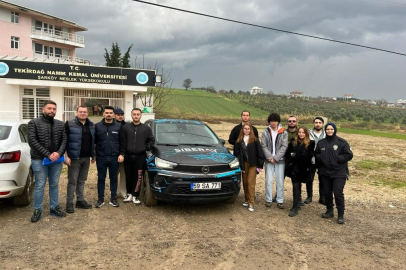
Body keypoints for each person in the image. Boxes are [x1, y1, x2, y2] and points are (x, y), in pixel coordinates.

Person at [28, 100, 67, 222]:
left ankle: (54, 207)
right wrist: (48, 154)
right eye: (49, 108)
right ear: (43, 109)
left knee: (54, 184)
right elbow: (32, 141)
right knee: (40, 185)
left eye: (54, 109)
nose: (52, 111)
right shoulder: (33, 123)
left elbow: (64, 140)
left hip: (56, 160)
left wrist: (59, 153)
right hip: (39, 160)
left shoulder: (60, 124)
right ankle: (37, 210)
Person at [315, 123, 353, 224]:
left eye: (331, 129)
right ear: (325, 130)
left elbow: (349, 155)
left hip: (339, 172)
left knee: (338, 193)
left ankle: (340, 214)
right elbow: (316, 154)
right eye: (327, 129)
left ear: (335, 130)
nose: (329, 131)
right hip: (325, 172)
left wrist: (338, 159)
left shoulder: (342, 142)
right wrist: (321, 159)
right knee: (327, 192)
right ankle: (329, 210)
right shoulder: (321, 143)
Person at [119, 108, 155, 204]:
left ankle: (135, 195)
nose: (136, 116)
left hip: (140, 156)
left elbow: (151, 141)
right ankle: (129, 194)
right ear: (131, 115)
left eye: (137, 114)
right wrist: (122, 153)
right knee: (128, 176)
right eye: (134, 114)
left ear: (140, 115)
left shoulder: (146, 129)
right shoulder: (125, 128)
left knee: (138, 176)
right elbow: (122, 142)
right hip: (128, 156)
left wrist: (144, 148)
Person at [64, 106, 95, 214]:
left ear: (88, 113)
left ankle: (80, 200)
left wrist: (93, 155)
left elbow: (93, 141)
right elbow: (64, 141)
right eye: (80, 112)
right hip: (74, 158)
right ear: (77, 112)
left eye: (85, 112)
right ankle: (69, 203)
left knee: (81, 181)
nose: (83, 113)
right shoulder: (69, 124)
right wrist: (66, 156)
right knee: (72, 181)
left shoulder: (91, 125)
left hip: (86, 158)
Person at [234, 122, 265, 212]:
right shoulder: (239, 141)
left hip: (253, 164)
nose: (247, 130)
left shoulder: (254, 140)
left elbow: (260, 153)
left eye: (248, 129)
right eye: (245, 128)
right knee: (245, 182)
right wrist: (240, 166)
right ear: (242, 130)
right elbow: (237, 154)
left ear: (251, 130)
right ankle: (246, 200)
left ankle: (251, 203)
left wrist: (260, 166)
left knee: (251, 183)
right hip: (244, 164)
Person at [94, 105, 121, 208]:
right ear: (103, 114)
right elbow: (94, 142)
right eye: (107, 113)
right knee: (101, 178)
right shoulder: (97, 126)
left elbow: (122, 141)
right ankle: (100, 199)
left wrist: (121, 154)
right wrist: (94, 155)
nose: (109, 114)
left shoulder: (118, 126)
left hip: (114, 157)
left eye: (110, 113)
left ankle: (113, 198)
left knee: (113, 178)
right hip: (101, 157)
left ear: (113, 114)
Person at [285, 127, 315, 217]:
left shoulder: (311, 143)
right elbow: (287, 154)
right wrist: (294, 155)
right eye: (299, 132)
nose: (301, 134)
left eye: (303, 132)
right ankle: (295, 206)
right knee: (295, 186)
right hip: (294, 168)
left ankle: (298, 202)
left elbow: (307, 156)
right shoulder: (292, 142)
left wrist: (294, 154)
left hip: (305, 169)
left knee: (300, 185)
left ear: (306, 133)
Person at [261, 113, 288, 209]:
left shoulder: (284, 132)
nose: (273, 123)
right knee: (268, 181)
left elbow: (284, 146)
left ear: (278, 121)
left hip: (280, 161)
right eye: (272, 121)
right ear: (269, 122)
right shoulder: (265, 132)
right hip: (269, 161)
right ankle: (268, 200)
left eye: (275, 121)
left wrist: (276, 158)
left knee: (280, 181)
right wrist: (270, 158)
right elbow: (263, 145)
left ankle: (280, 200)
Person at [309, 116, 326, 205]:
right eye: (316, 122)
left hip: (322, 161)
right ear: (313, 124)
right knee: (310, 179)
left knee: (322, 179)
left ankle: (322, 198)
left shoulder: (326, 134)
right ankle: (309, 197)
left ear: (322, 124)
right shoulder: (308, 133)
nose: (318, 124)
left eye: (319, 123)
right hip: (311, 160)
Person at [114, 108, 127, 198]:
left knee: (124, 174)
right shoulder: (111, 125)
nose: (120, 116)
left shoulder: (127, 126)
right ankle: (113, 192)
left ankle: (123, 192)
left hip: (124, 154)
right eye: (118, 115)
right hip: (113, 154)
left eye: (121, 115)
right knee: (114, 174)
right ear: (115, 115)